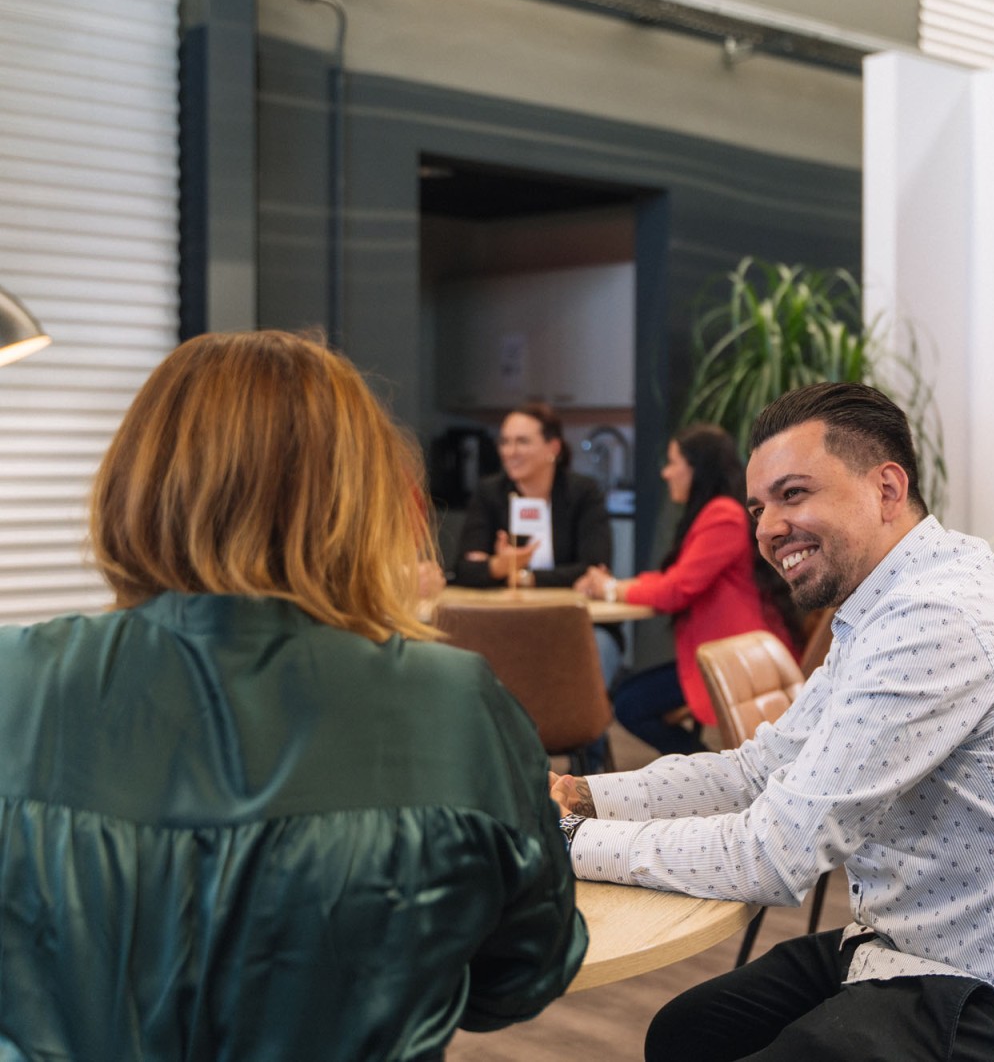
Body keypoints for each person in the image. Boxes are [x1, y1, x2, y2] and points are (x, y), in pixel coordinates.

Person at [0, 331, 586, 1060]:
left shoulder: (14, 685)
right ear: (357, 501)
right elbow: (526, 974)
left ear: (132, 484)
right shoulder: (453, 707)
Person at [554, 383, 994, 1062]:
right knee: (687, 1032)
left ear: (887, 490)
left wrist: (564, 840)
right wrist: (584, 795)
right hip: (924, 946)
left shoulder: (937, 617)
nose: (768, 528)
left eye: (794, 493)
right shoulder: (888, 602)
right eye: (759, 507)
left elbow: (773, 854)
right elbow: (758, 770)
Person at [574, 423, 799, 756]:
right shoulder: (716, 512)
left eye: (672, 462)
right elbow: (675, 577)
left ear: (697, 468)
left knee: (630, 703)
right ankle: (713, 766)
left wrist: (610, 589)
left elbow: (675, 590)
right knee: (630, 699)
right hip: (725, 649)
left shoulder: (722, 515)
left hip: (736, 657)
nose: (665, 473)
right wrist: (615, 586)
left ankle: (712, 768)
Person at [454, 401, 621, 682]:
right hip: (505, 622)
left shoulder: (583, 492)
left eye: (522, 442)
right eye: (505, 442)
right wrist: (499, 566)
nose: (510, 452)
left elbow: (594, 567)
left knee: (593, 656)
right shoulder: (490, 493)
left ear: (552, 448)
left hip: (576, 622)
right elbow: (463, 569)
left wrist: (521, 576)